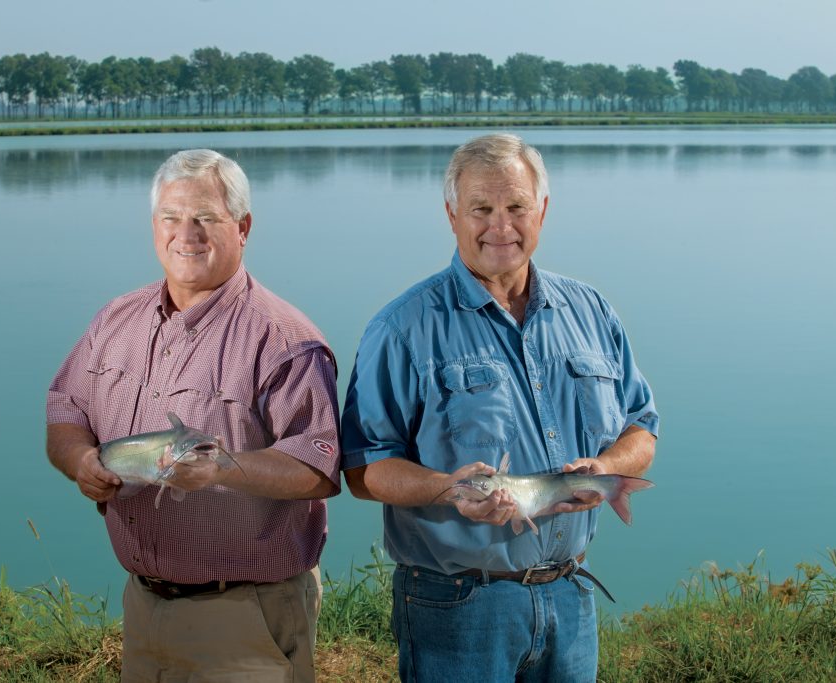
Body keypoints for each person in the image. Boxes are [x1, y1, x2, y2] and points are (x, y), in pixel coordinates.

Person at [340, 133, 658, 682]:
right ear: (451, 215)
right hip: (458, 606)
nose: (500, 226)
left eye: (516, 207)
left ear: (543, 210)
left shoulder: (591, 310)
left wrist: (605, 469)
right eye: (481, 209)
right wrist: (449, 490)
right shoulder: (402, 327)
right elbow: (365, 471)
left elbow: (641, 429)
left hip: (570, 597)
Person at [47, 149, 340, 683]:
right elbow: (65, 414)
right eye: (171, 218)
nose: (187, 234)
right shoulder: (116, 320)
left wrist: (223, 469)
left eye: (206, 217)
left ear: (243, 226)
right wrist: (80, 461)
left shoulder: (284, 340)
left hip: (247, 616)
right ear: (153, 225)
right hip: (142, 606)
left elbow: (317, 470)